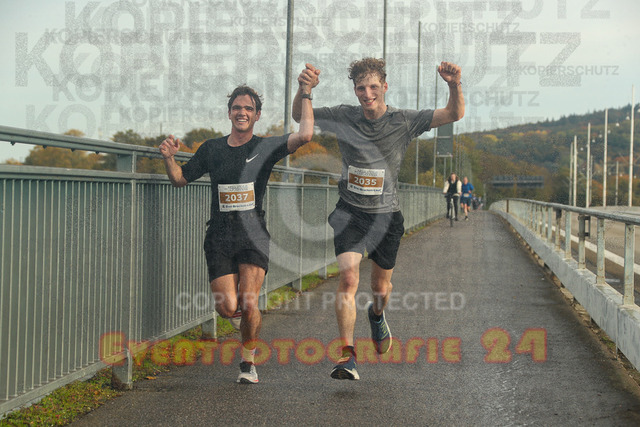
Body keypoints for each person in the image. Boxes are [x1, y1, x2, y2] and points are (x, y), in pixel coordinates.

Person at [293, 58, 464, 380]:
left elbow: (454, 114)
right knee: (348, 279)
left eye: (373, 87)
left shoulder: (404, 120)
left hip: (386, 217)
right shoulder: (344, 116)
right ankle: (347, 355)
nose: (367, 93)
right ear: (355, 90)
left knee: (380, 288)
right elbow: (300, 116)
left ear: (384, 87)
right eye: (361, 88)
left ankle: (376, 314)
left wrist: (454, 85)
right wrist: (304, 90)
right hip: (350, 212)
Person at [159, 80, 315, 384]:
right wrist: (169, 157)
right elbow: (180, 179)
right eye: (236, 108)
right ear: (229, 112)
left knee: (249, 301)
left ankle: (247, 362)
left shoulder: (264, 147)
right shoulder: (211, 149)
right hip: (219, 236)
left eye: (248, 109)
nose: (241, 112)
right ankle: (246, 321)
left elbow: (306, 134)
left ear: (257, 115)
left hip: (253, 236)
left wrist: (306, 91)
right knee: (227, 307)